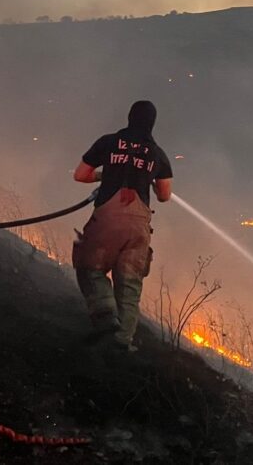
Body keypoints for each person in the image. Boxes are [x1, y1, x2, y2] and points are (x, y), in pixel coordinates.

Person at [72, 100, 173, 351]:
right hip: (138, 227)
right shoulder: (158, 154)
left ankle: (106, 314)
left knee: (89, 267)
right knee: (129, 284)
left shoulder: (108, 142)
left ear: (129, 117)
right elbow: (164, 195)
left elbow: (80, 175)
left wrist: (103, 175)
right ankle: (122, 343)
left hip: (107, 219)